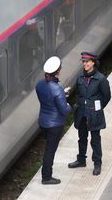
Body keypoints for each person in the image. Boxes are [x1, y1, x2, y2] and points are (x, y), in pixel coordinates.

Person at [68, 52, 111, 176]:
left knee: (95, 139)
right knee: (82, 138)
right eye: (83, 62)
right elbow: (78, 94)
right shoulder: (80, 77)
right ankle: (81, 160)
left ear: (93, 63)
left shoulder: (101, 79)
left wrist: (96, 108)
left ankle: (97, 163)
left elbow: (106, 96)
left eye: (87, 62)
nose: (85, 64)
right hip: (81, 113)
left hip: (94, 115)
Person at [35, 56, 72, 185]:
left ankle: (46, 175)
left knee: (48, 148)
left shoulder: (40, 84)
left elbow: (48, 98)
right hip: (55, 124)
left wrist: (62, 93)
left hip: (43, 121)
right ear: (57, 71)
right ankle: (46, 177)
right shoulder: (57, 89)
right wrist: (68, 103)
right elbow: (65, 110)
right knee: (50, 150)